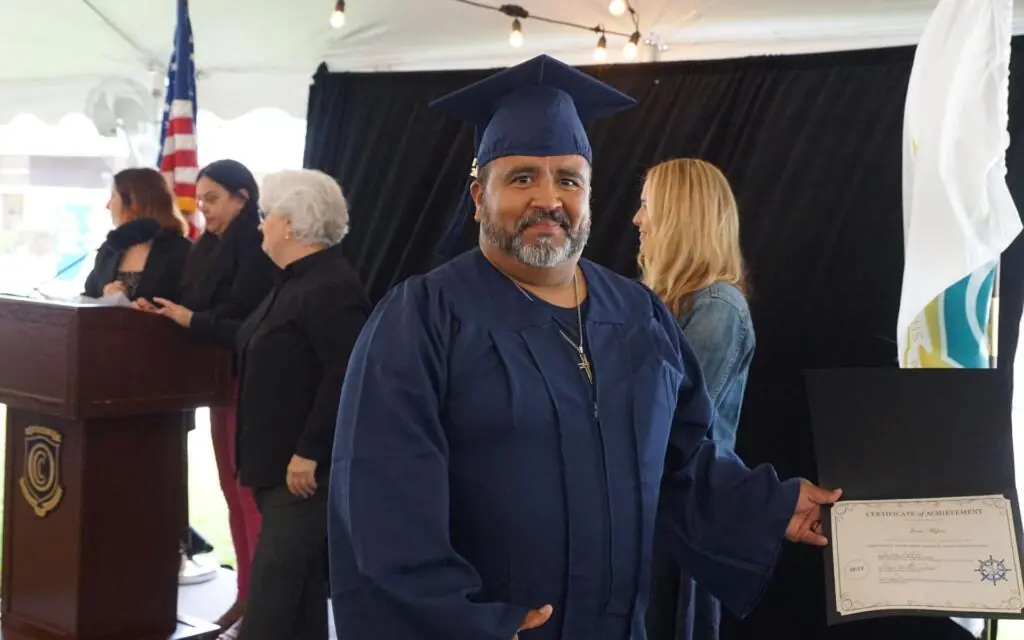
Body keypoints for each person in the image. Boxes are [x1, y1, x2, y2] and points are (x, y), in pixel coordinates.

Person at [328, 54, 842, 640]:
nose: (548, 199)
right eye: (522, 177)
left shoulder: (640, 316)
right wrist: (468, 623)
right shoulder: (423, 319)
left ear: (589, 194)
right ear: (478, 196)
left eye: (568, 179)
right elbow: (380, 502)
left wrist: (770, 506)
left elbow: (684, 461)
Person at [228, 170, 370, 640]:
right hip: (279, 469)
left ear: (290, 224)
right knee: (299, 601)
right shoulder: (292, 282)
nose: (261, 226)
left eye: (266, 216)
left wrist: (310, 450)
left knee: (269, 607)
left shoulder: (331, 286)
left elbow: (347, 374)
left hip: (306, 475)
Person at [136, 159, 277, 631]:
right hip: (218, 382)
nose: (205, 210)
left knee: (249, 494)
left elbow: (243, 319)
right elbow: (191, 301)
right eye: (200, 201)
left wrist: (190, 320)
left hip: (251, 382)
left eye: (213, 199)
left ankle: (263, 602)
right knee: (230, 494)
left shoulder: (257, 246)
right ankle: (244, 594)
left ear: (243, 196)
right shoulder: (209, 248)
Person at [635, 159, 755, 640]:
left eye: (647, 206)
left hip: (684, 519)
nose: (637, 220)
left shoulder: (718, 308)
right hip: (654, 516)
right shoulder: (664, 305)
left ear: (681, 215)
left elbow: (670, 429)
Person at [83, 167, 191, 302]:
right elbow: (87, 298)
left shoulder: (182, 250)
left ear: (134, 202)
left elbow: (189, 306)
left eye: (113, 196)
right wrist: (105, 293)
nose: (108, 205)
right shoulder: (111, 248)